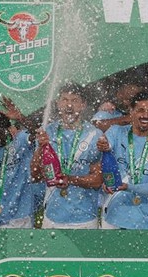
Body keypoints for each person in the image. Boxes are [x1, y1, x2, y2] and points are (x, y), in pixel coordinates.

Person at [30, 83, 104, 229]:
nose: (69, 105)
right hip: (52, 217)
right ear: (58, 104)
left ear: (83, 105)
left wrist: (70, 179)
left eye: (75, 100)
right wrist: (40, 148)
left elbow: (97, 180)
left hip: (85, 218)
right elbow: (35, 176)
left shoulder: (95, 135)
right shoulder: (47, 133)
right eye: (65, 100)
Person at [98, 91, 148, 230]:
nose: (145, 115)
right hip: (112, 215)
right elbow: (104, 150)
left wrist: (128, 187)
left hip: (143, 220)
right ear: (131, 111)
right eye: (140, 110)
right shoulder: (115, 132)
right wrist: (103, 145)